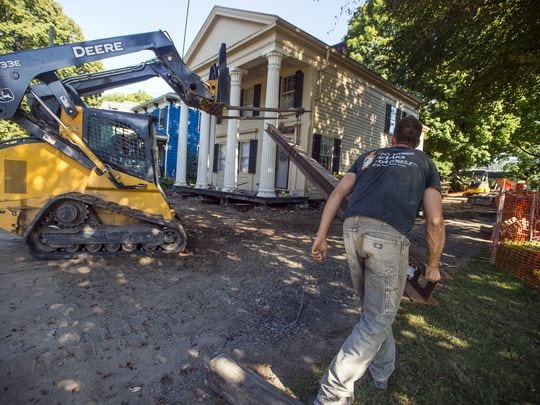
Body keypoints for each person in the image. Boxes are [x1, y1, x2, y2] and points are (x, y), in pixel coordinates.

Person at [311, 116, 445, 404]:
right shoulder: (424, 163)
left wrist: (321, 236)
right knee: (376, 319)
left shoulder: (369, 156)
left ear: (392, 139)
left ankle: (382, 371)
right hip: (386, 239)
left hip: (352, 230)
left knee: (375, 314)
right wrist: (432, 266)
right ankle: (332, 395)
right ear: (417, 141)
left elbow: (337, 193)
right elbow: (435, 220)